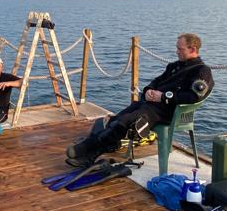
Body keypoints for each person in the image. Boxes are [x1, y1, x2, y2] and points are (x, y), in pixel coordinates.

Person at [67, 33, 214, 166]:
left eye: (180, 49)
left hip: (169, 112)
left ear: (193, 49)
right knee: (117, 119)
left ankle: (90, 151)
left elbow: (194, 96)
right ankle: (94, 150)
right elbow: (156, 81)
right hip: (149, 106)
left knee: (126, 122)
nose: (177, 51)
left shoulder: (201, 71)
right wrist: (149, 91)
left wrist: (163, 97)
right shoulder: (174, 67)